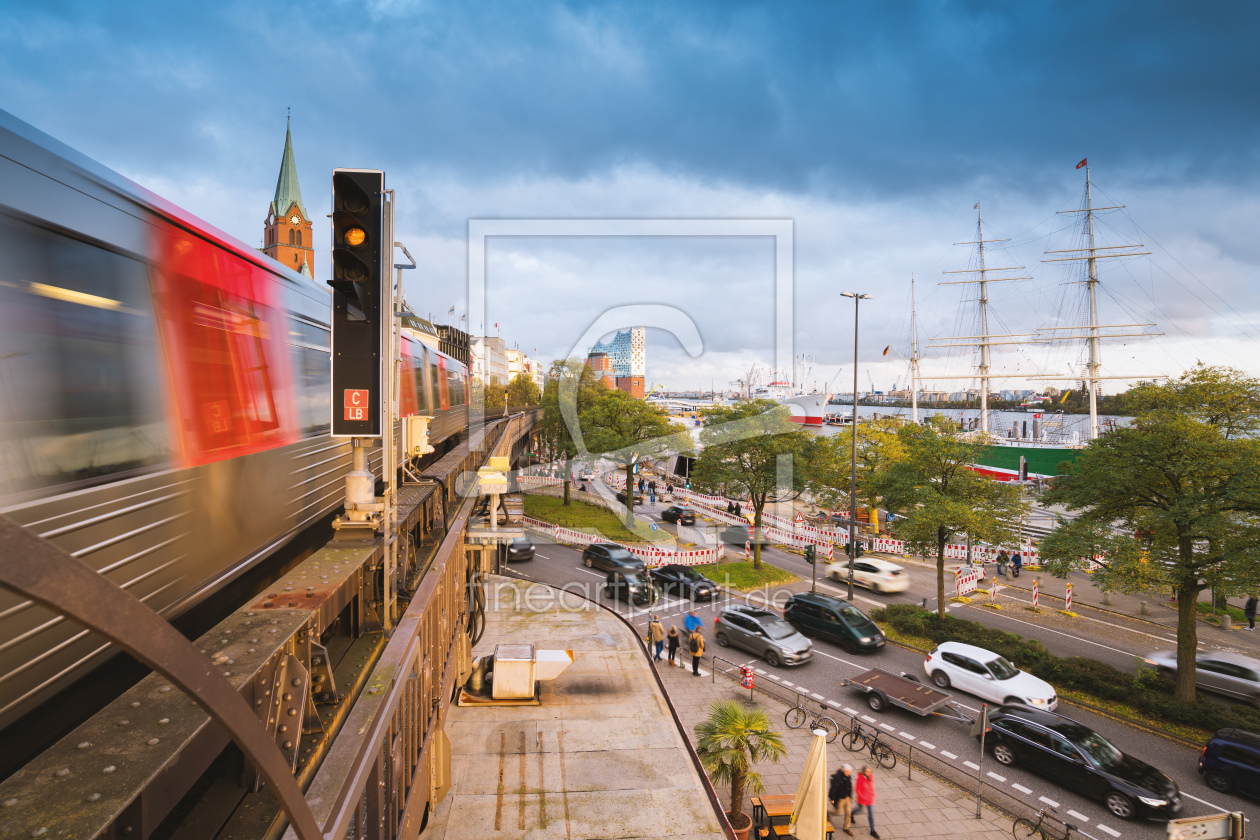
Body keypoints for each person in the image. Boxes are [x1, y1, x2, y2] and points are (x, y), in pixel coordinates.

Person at [828, 763, 855, 836]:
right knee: (838, 812)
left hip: (847, 797)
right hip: (840, 798)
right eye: (848, 772)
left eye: (849, 772)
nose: (849, 773)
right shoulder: (838, 778)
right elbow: (833, 788)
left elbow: (850, 786)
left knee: (848, 813)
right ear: (844, 771)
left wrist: (850, 796)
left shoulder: (848, 776)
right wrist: (832, 798)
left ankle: (846, 827)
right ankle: (827, 812)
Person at [853, 765, 878, 838]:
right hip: (862, 799)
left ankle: (872, 830)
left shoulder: (871, 777)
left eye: (869, 771)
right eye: (866, 771)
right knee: (859, 809)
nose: (868, 773)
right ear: (863, 771)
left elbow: (872, 787)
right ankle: (851, 814)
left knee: (871, 814)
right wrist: (862, 797)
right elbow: (857, 790)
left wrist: (873, 794)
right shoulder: (860, 779)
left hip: (870, 799)